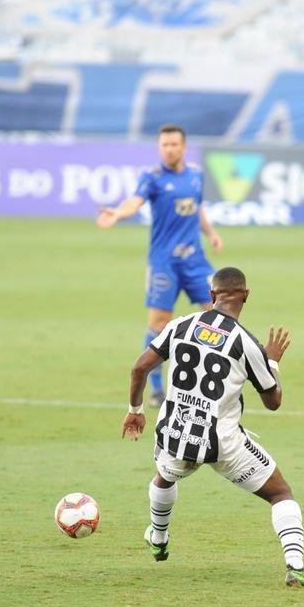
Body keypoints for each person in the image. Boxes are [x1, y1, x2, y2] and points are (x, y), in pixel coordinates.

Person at [122, 266, 304, 588]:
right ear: (246, 295)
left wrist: (135, 410)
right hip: (224, 443)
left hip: (176, 433)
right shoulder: (246, 343)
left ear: (212, 295)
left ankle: (158, 537)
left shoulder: (181, 325)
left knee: (165, 476)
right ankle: (295, 566)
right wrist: (271, 360)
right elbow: (273, 401)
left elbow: (139, 368)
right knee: (281, 493)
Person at [97, 124, 223, 407]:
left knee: (218, 317)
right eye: (164, 145)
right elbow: (134, 202)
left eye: (174, 144)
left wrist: (211, 233)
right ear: (159, 148)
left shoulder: (196, 175)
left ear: (183, 147)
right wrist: (118, 214)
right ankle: (155, 389)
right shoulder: (152, 178)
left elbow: (197, 208)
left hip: (196, 261)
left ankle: (211, 383)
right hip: (164, 263)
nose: (169, 149)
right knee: (159, 324)